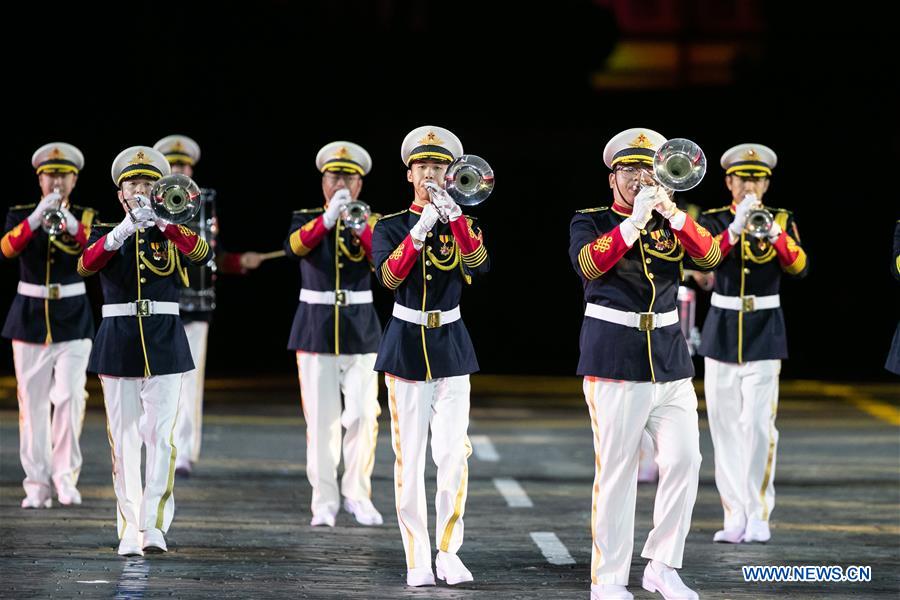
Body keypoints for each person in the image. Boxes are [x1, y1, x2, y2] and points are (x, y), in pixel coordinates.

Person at [569, 128, 721, 600]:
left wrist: (673, 213)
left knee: (685, 459)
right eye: (629, 171)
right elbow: (588, 266)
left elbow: (711, 255)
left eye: (646, 170)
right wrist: (631, 224)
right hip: (614, 355)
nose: (639, 179)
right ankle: (608, 578)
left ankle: (662, 565)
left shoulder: (670, 220)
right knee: (617, 471)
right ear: (612, 177)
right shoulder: (590, 220)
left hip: (669, 356)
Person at [77, 145, 210, 556]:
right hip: (118, 340)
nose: (139, 190)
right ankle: (129, 526)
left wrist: (164, 223)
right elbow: (85, 264)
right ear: (120, 193)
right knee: (124, 441)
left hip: (165, 340)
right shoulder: (105, 230)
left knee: (161, 438)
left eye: (148, 183)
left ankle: (153, 524)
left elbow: (202, 254)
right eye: (132, 184)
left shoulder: (173, 228)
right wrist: (122, 231)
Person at [372, 125, 490, 587]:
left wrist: (454, 218)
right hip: (405, 343)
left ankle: (448, 551)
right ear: (409, 174)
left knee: (454, 454)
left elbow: (480, 266)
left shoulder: (465, 223)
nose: (430, 174)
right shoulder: (389, 226)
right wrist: (420, 228)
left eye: (438, 167)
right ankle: (417, 557)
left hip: (452, 344)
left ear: (450, 173)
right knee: (410, 457)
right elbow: (388, 277)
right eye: (422, 166)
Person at [698, 143, 808, 544]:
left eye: (757, 179)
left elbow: (799, 266)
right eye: (743, 179)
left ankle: (759, 512)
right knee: (724, 427)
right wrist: (734, 227)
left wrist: (774, 232)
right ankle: (734, 515)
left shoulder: (782, 218)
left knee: (759, 425)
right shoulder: (712, 219)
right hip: (722, 329)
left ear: (767, 184)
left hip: (765, 330)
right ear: (729, 181)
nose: (750, 186)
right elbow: (706, 260)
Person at [284, 141, 383, 527]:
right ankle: (324, 501)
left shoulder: (372, 220)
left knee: (364, 415)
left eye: (348, 178)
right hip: (316, 328)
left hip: (361, 328)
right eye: (333, 177)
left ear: (359, 185)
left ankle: (357, 494)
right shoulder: (306, 217)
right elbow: (294, 248)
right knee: (322, 420)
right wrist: (327, 218)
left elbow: (383, 261)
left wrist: (359, 225)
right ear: (323, 182)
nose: (340, 184)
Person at [153, 134, 264, 476]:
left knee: (189, 380)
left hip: (196, 306)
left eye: (183, 165)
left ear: (191, 169)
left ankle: (184, 453)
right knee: (154, 382)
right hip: (158, 303)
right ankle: (156, 448)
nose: (179, 170)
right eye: (172, 164)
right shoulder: (149, 203)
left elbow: (211, 254)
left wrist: (238, 262)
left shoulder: (204, 202)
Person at [2, 142, 96, 508]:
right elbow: (7, 248)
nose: (56, 182)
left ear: (74, 180)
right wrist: (36, 218)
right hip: (29, 318)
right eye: (50, 175)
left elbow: (96, 251)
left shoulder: (86, 216)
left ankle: (65, 477)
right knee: (33, 403)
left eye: (63, 175)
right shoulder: (21, 214)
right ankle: (37, 484)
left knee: (70, 397)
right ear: (39, 179)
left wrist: (70, 223)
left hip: (73, 316)